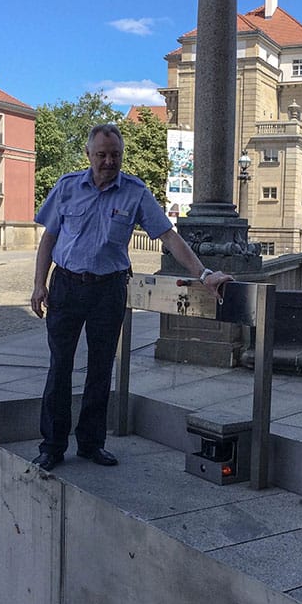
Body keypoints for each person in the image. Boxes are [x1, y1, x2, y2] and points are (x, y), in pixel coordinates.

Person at [29, 123, 233, 472]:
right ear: (88, 155)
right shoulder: (66, 188)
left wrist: (204, 274)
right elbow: (49, 238)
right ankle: (52, 445)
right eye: (102, 155)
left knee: (100, 369)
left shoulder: (135, 192)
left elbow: (168, 237)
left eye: (115, 155)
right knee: (59, 368)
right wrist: (38, 284)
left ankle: (92, 443)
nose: (109, 161)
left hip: (108, 290)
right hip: (66, 285)